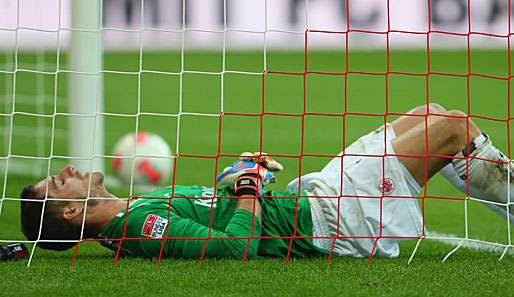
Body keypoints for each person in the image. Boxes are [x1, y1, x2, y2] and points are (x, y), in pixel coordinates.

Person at [19, 103, 514, 259]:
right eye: (57, 184)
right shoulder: (141, 225)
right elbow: (235, 249)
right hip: (337, 219)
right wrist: (250, 188)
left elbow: (217, 205)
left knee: (430, 114)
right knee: (453, 129)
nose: (66, 171)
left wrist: (237, 176)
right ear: (70, 213)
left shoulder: (133, 211)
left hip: (312, 195)